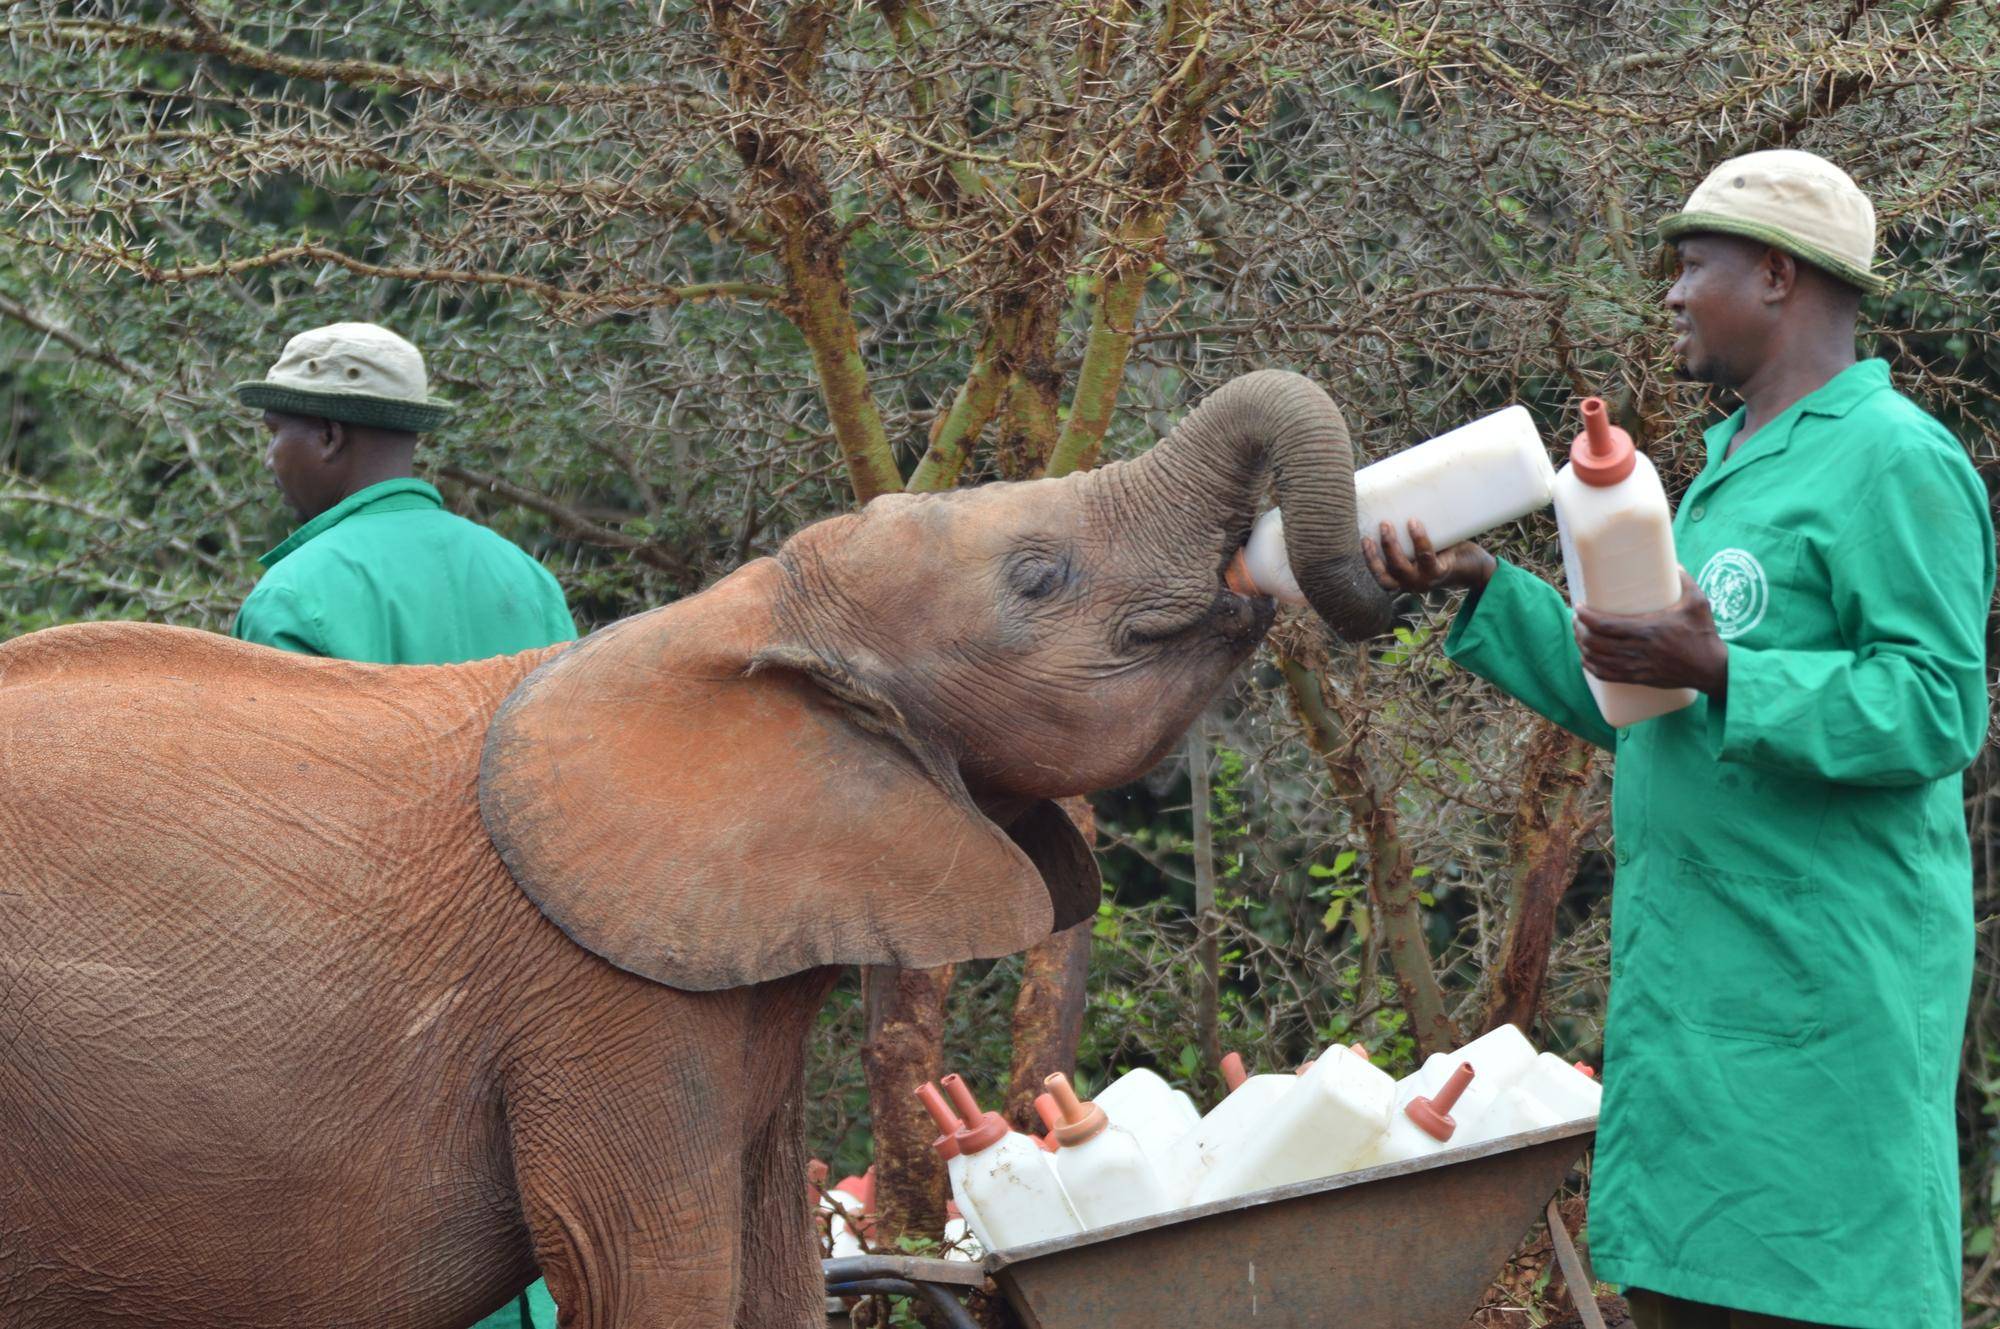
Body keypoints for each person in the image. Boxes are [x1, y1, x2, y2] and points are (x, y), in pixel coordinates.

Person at [1365, 150, 1991, 1328]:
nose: (1667, 294)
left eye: (1690, 264)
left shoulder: (1892, 460)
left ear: (1772, 274)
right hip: (1694, 1004)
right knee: (1682, 1291)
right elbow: (1641, 704)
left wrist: (1720, 667)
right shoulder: (1718, 476)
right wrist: (1480, 585)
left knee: (1818, 1293)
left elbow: (1934, 707)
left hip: (1819, 1004)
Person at [234, 320, 574, 1328]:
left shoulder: (297, 594)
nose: (270, 453)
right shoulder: (528, 582)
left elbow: (285, 849)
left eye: (278, 428)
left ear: (330, 438)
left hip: (373, 1027)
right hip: (531, 1003)